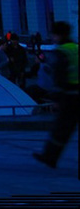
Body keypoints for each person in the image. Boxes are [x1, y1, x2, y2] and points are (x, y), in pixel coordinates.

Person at [32, 21, 79, 169]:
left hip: (69, 96)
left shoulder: (62, 51)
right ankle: (50, 157)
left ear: (58, 35)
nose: (52, 37)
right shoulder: (76, 48)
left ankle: (50, 157)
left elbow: (59, 77)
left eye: (53, 34)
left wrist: (57, 99)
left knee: (61, 129)